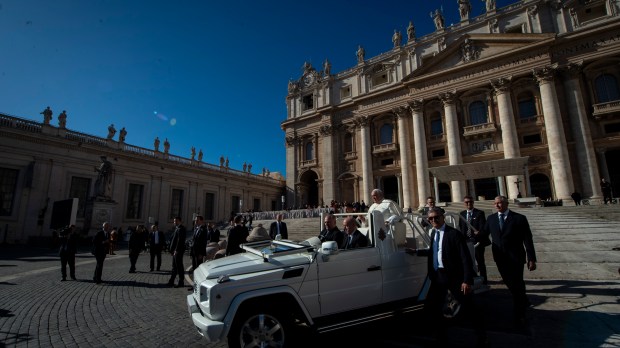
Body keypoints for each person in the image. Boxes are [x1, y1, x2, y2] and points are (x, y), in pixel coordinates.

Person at [417, 207, 486, 346]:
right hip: (438, 277)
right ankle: (441, 338)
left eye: (436, 217)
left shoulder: (453, 234)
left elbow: (465, 258)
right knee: (435, 308)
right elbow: (435, 252)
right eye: (430, 218)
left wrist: (466, 280)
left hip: (455, 277)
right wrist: (417, 252)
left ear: (443, 217)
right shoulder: (433, 233)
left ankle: (482, 337)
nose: (433, 220)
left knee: (469, 308)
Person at [481, 195, 537, 327]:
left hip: (516, 257)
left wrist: (531, 258)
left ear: (506, 204)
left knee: (516, 283)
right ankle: (523, 299)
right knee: (509, 282)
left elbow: (527, 239)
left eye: (500, 203)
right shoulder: (491, 218)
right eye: (495, 203)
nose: (497, 205)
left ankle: (519, 314)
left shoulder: (519, 218)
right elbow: (483, 233)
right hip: (500, 258)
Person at [459, 196, 490, 285]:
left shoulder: (479, 213)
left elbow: (482, 226)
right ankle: (471, 278)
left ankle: (484, 280)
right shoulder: (462, 214)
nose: (468, 204)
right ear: (464, 203)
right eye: (466, 202)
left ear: (473, 202)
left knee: (480, 261)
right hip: (466, 242)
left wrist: (478, 233)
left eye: (470, 202)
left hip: (477, 241)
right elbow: (461, 227)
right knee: (467, 261)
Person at [167, 216, 187, 288]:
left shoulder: (181, 229)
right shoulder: (177, 228)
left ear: (180, 221)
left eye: (176, 221)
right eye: (174, 221)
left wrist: (176, 250)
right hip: (175, 251)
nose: (174, 222)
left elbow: (180, 241)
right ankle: (171, 281)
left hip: (178, 251)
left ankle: (181, 282)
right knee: (174, 267)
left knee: (179, 267)